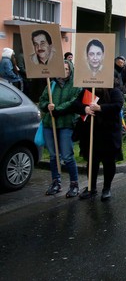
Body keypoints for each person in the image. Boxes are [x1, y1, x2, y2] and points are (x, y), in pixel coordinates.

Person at [39, 60, 81, 198]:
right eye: (61, 69)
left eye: (67, 69)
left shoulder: (76, 86)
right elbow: (43, 100)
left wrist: (57, 109)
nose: (64, 72)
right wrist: (47, 106)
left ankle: (74, 184)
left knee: (67, 156)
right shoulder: (51, 84)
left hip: (66, 124)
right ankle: (56, 182)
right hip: (49, 125)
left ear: (71, 70)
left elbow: (74, 102)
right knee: (53, 156)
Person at [74, 87, 123, 201]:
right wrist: (85, 108)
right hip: (91, 133)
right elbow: (75, 104)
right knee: (92, 161)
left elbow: (117, 105)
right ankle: (91, 187)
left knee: (108, 162)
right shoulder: (88, 90)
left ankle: (106, 188)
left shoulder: (113, 90)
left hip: (108, 133)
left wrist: (100, 108)